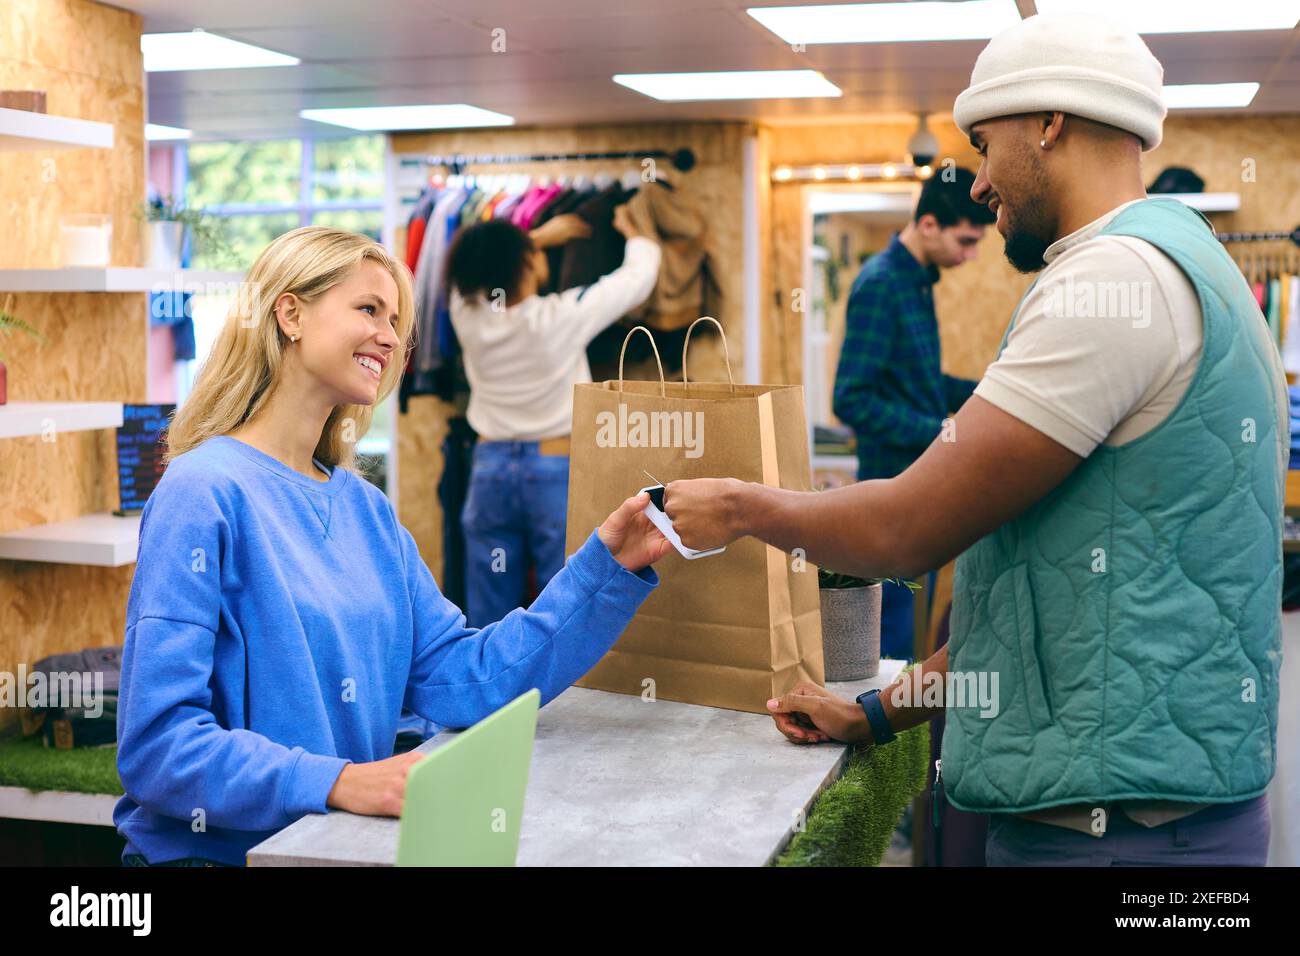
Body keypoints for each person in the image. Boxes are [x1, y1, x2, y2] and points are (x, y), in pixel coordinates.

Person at [664, 12, 1286, 866]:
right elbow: (1042, 612)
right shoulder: (1188, 259)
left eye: (984, 145)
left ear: (1049, 122)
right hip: (1152, 817)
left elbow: (900, 531)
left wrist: (738, 504)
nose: (980, 183)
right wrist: (876, 713)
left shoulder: (1113, 282)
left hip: (1113, 835)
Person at [114, 226, 671, 867]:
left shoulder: (364, 509)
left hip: (331, 847)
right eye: (369, 309)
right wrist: (341, 781)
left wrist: (606, 568)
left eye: (397, 321)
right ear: (289, 312)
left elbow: (465, 678)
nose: (390, 336)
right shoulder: (202, 491)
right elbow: (158, 747)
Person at [448, 204, 661, 627]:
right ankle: (562, 694)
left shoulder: (468, 316)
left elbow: (463, 278)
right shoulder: (560, 315)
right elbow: (634, 280)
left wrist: (530, 240)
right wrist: (636, 232)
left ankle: (494, 690)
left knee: (491, 600)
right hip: (552, 469)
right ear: (526, 264)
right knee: (560, 596)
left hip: (488, 471)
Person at [833, 167, 994, 660]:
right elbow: (851, 399)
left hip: (918, 487)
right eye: (965, 241)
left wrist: (993, 391)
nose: (969, 255)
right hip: (891, 494)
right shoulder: (882, 283)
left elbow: (921, 379)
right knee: (890, 643)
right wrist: (941, 432)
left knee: (906, 632)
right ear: (928, 225)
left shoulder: (917, 282)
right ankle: (875, 736)